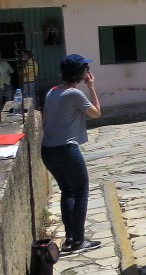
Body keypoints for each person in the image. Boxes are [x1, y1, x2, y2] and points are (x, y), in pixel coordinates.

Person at [40, 54, 102, 253]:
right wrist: (91, 87)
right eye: (86, 69)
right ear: (80, 73)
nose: (88, 72)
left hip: (48, 150)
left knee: (67, 191)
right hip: (66, 150)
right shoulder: (74, 94)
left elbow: (45, 119)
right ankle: (79, 241)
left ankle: (70, 239)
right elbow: (96, 113)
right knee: (81, 192)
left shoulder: (52, 92)